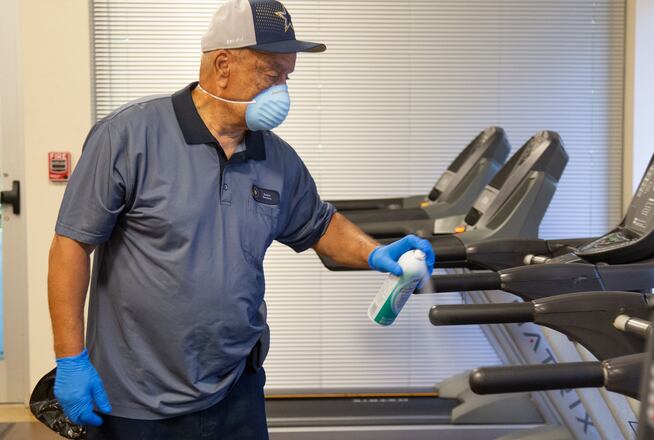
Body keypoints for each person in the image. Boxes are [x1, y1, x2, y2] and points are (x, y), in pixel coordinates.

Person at [47, 1, 435, 438]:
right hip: (136, 399)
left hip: (235, 390)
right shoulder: (129, 136)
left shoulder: (277, 158)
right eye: (272, 75)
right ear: (223, 64)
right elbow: (72, 244)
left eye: (287, 77)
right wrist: (71, 359)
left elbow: (320, 226)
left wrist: (377, 252)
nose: (282, 91)